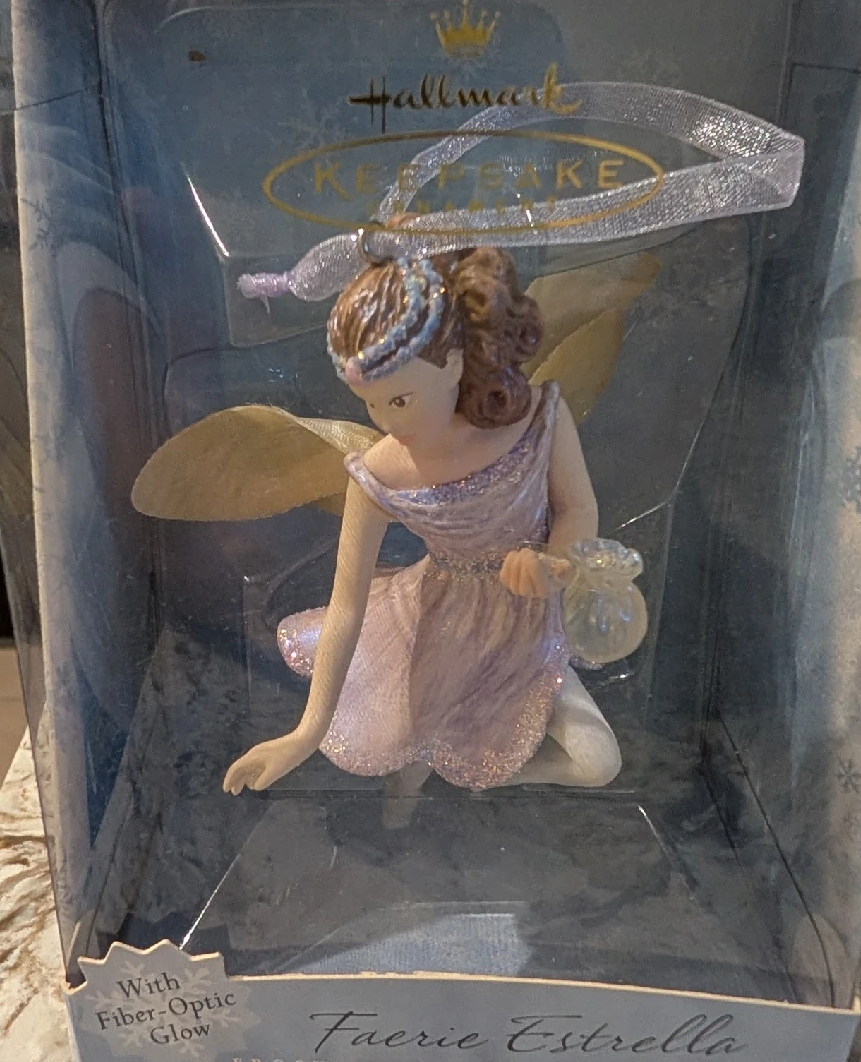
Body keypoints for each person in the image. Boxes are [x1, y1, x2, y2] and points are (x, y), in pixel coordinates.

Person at [223, 245, 622, 799]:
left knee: (598, 761)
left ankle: (468, 781)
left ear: (453, 363)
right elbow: (347, 606)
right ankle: (411, 797)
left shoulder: (536, 418)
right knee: (407, 744)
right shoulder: (381, 471)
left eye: (401, 400)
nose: (388, 422)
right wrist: (305, 733)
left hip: (532, 625)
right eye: (371, 405)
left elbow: (578, 509)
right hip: (438, 626)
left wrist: (555, 564)